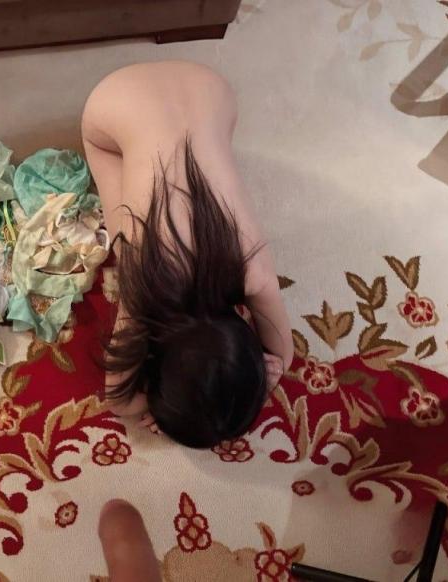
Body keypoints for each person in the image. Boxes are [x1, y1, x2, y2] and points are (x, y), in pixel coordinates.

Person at [81, 61, 293, 448]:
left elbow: (282, 353)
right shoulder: (145, 290)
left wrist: (264, 376)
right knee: (124, 229)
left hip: (211, 86)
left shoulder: (253, 274)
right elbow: (120, 401)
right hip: (114, 100)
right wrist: (158, 404)